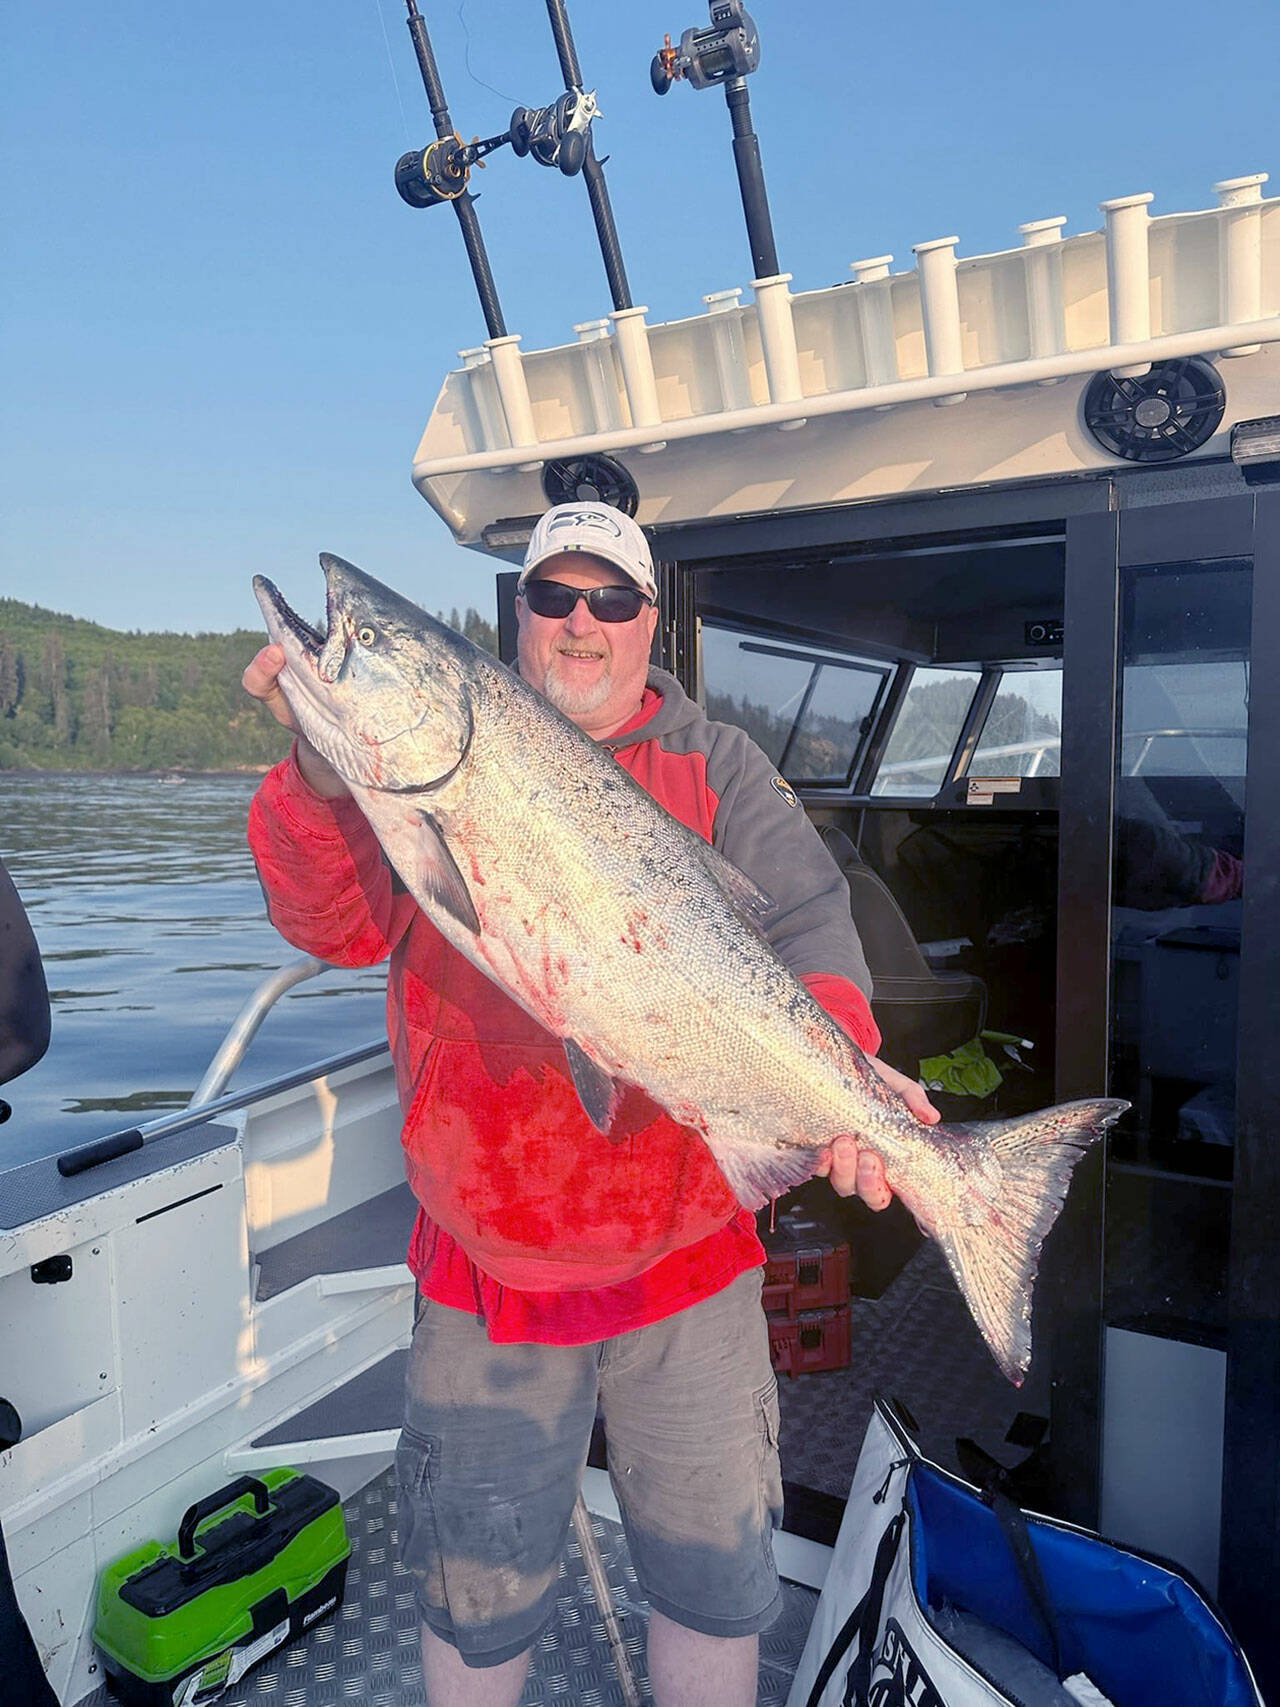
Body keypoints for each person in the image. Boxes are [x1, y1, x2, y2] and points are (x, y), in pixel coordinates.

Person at [243, 502, 939, 1707]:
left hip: (688, 1267)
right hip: (486, 1270)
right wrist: (317, 759)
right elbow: (329, 924)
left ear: (647, 622)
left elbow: (816, 923)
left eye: (609, 599)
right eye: (551, 596)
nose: (579, 622)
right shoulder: (406, 783)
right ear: (516, 619)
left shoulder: (720, 767)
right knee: (475, 1606)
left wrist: (846, 1075)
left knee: (715, 1587)